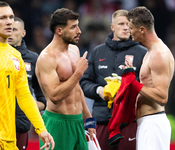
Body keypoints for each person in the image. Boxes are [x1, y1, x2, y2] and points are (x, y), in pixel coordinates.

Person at [0, 1, 54, 150]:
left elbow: (24, 96)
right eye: (3, 18)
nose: (9, 22)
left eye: (11, 17)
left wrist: (41, 128)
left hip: (9, 136)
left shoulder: (16, 56)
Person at [80, 9, 147, 150]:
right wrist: (99, 90)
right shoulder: (98, 52)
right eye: (121, 23)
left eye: (129, 24)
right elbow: (84, 82)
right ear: (112, 27)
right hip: (103, 120)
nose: (126, 27)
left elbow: (147, 85)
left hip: (129, 121)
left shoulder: (142, 53)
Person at [35, 8, 96, 150]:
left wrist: (89, 120)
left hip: (77, 122)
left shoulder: (74, 50)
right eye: (73, 27)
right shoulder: (47, 58)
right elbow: (55, 96)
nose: (79, 31)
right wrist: (78, 73)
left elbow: (77, 88)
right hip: (57, 123)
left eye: (78, 26)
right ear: (59, 31)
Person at [125, 6, 174, 150]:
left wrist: (134, 83)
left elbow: (162, 97)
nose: (129, 31)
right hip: (146, 123)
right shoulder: (150, 52)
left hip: (154, 123)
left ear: (141, 29)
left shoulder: (159, 54)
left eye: (131, 27)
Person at [8, 17, 46, 150]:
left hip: (21, 126)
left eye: (13, 30)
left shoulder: (34, 59)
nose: (9, 33)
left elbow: (42, 96)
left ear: (23, 33)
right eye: (7, 29)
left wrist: (32, 106)